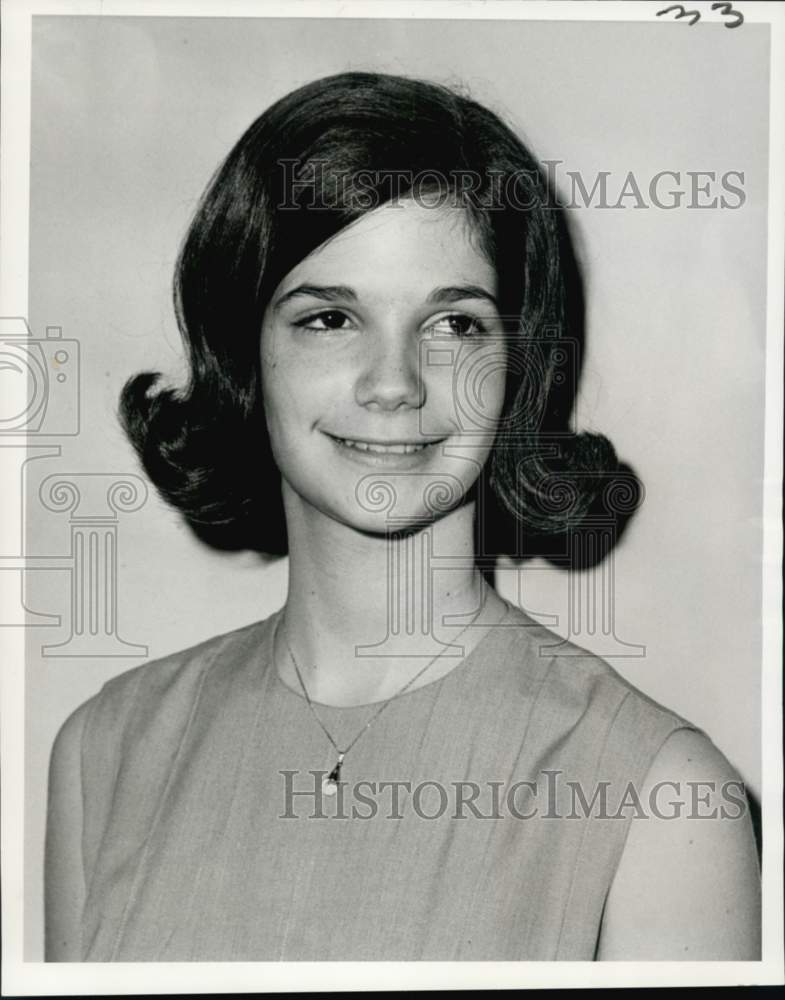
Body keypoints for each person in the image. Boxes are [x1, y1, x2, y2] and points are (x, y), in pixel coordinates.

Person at [44, 71, 760, 962]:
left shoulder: (659, 801)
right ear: (243, 351)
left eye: (454, 325)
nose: (395, 384)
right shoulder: (105, 753)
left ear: (517, 364)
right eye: (330, 317)